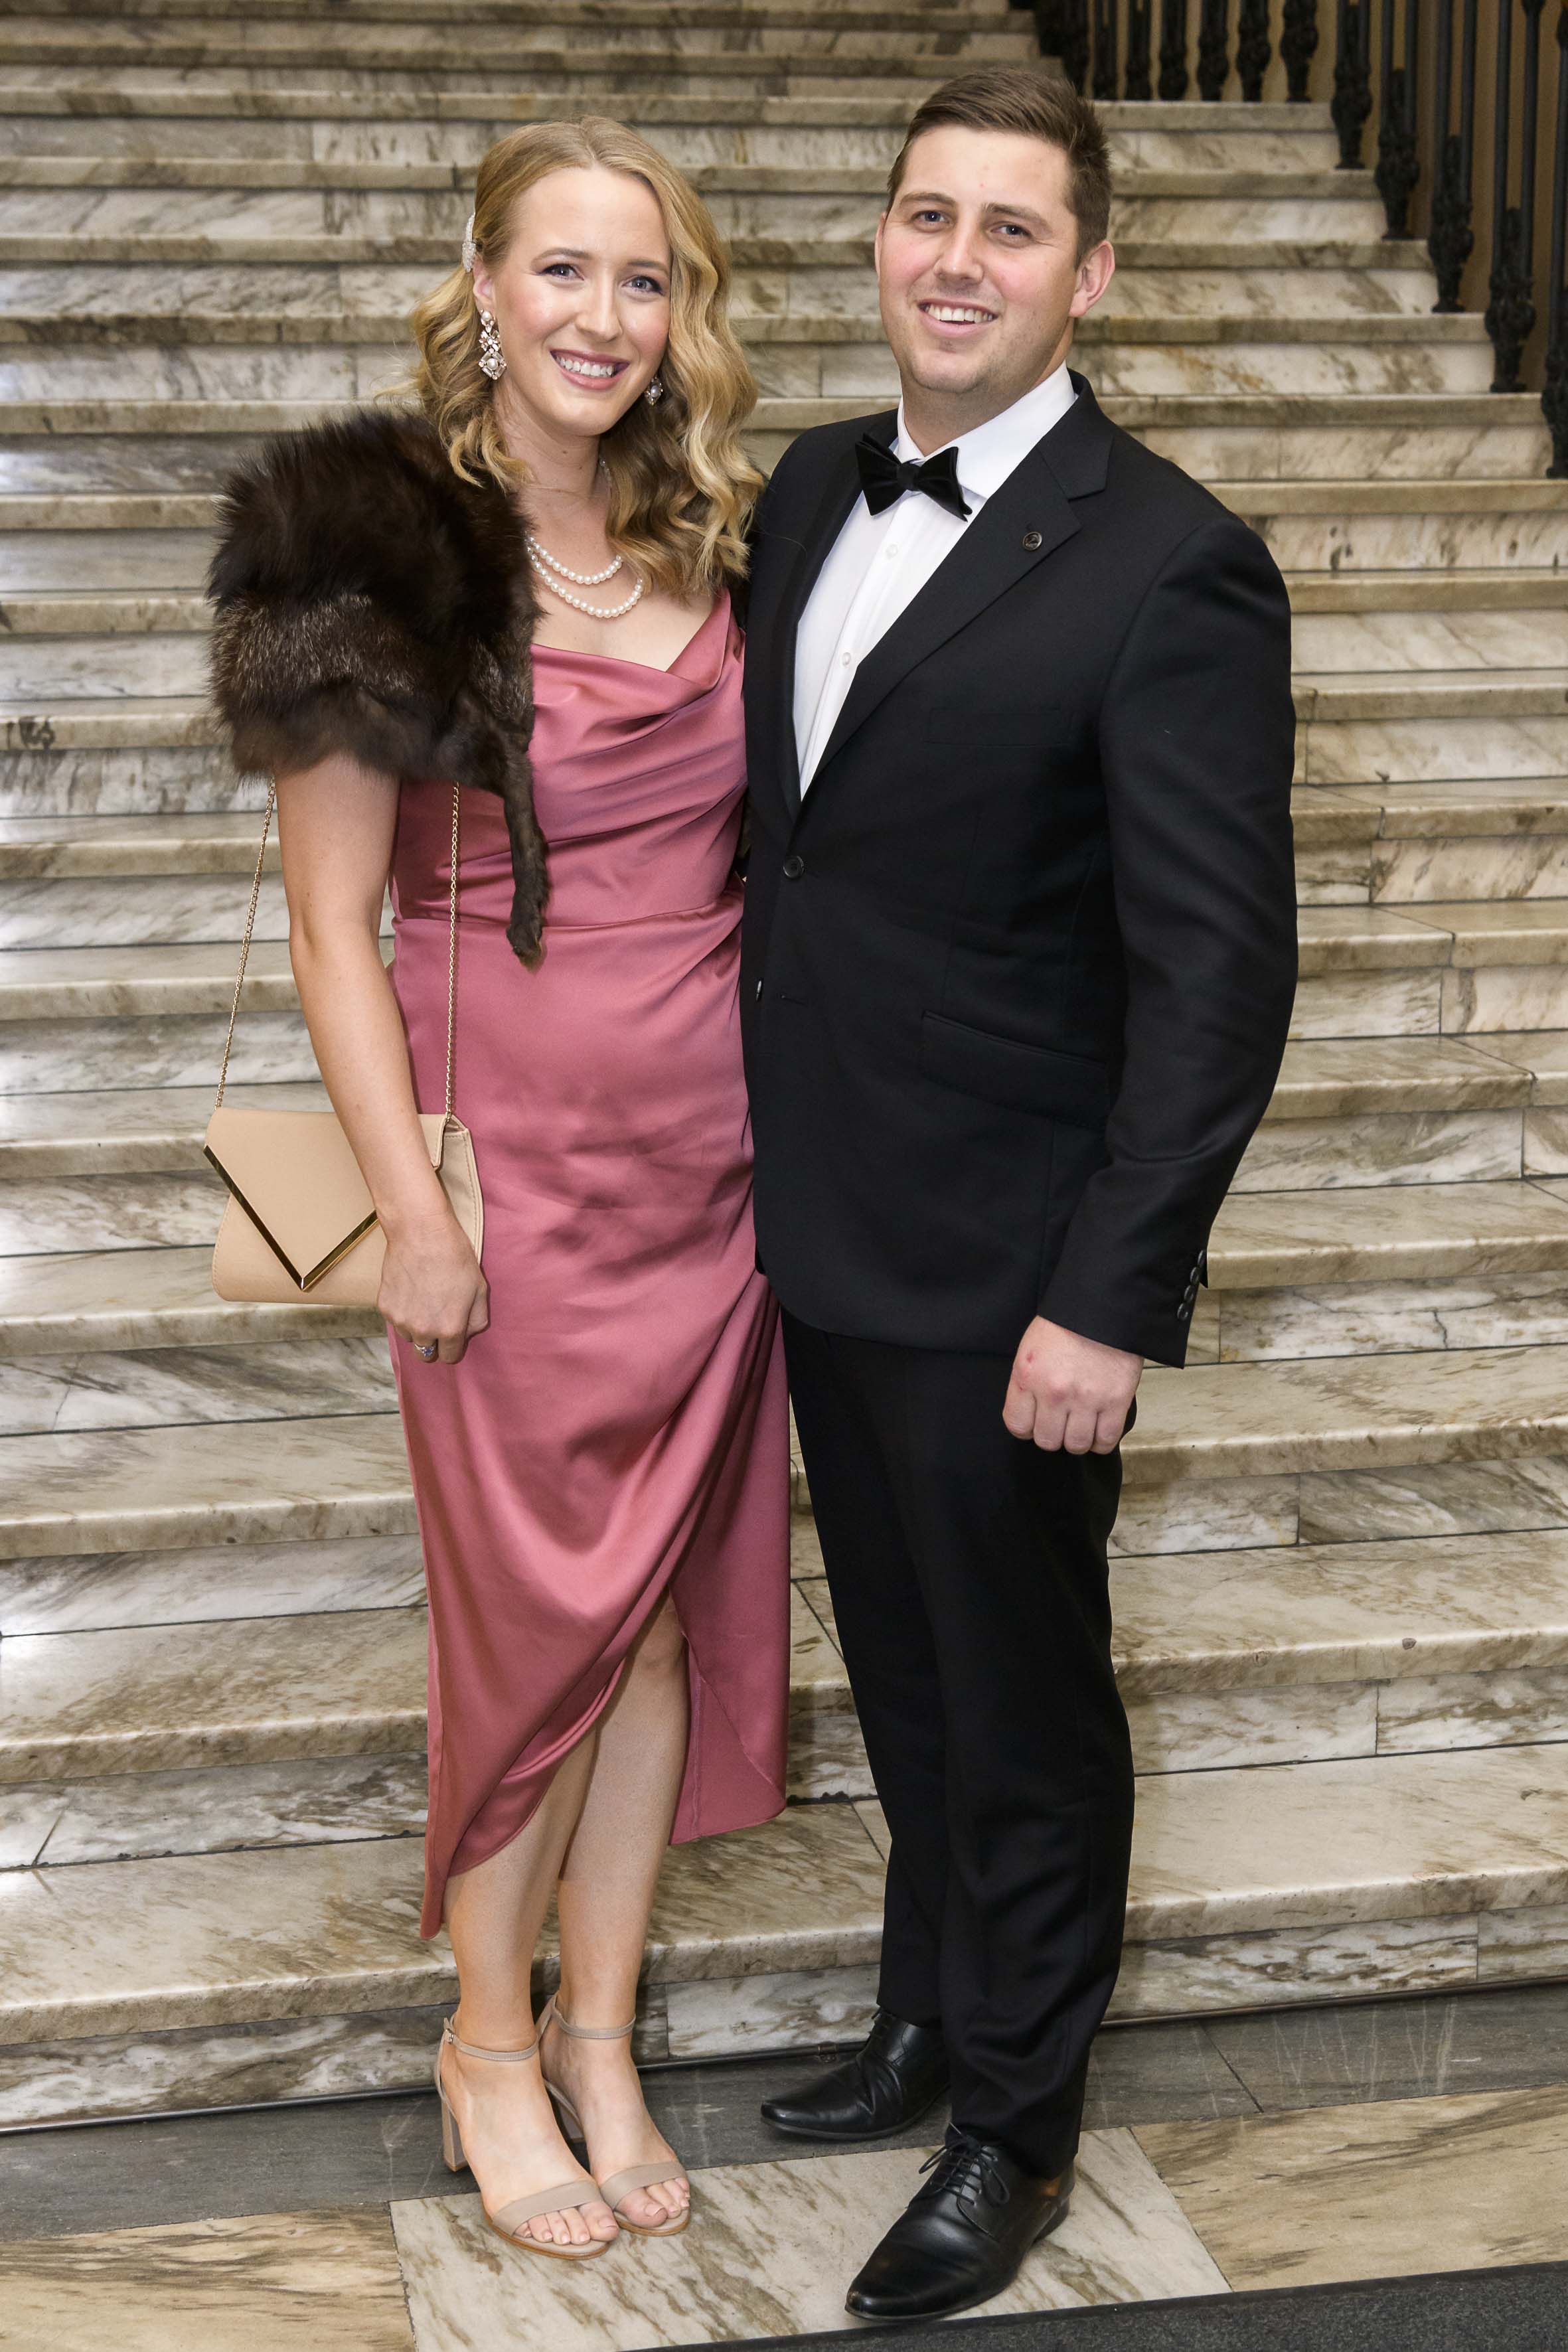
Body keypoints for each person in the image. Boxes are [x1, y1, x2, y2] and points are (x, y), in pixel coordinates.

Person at [741, 65, 1297, 2324]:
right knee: (900, 1662)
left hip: (1011, 1268)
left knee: (1026, 1700)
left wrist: (1110, 1293)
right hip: (821, 1222)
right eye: (923, 214)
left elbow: (1218, 976)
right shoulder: (803, 487)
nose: (953, 260)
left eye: (1008, 226)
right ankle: (925, 2011)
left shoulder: (1172, 560)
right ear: (878, 240)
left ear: (1091, 274)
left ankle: (1016, 2127)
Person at [207, 117, 789, 2262]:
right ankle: (483, 2044)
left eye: (643, 280)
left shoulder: (716, 540)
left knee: (652, 1637)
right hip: (507, 1183)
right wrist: (416, 1215)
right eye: (560, 269)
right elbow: (328, 928)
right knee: (535, 1631)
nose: (601, 320)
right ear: (480, 285)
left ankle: (601, 2035)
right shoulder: (367, 551)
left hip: (719, 1184)